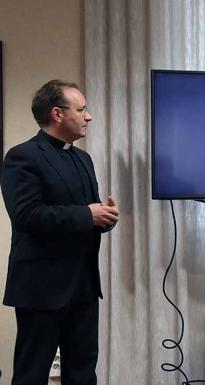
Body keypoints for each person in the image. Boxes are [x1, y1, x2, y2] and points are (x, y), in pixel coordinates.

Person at [1, 80, 119, 384]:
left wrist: (105, 218)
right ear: (57, 114)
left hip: (83, 284)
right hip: (41, 288)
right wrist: (87, 215)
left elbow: (86, 215)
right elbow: (27, 215)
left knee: (82, 373)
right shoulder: (22, 156)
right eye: (81, 110)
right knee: (31, 375)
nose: (88, 116)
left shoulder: (83, 158)